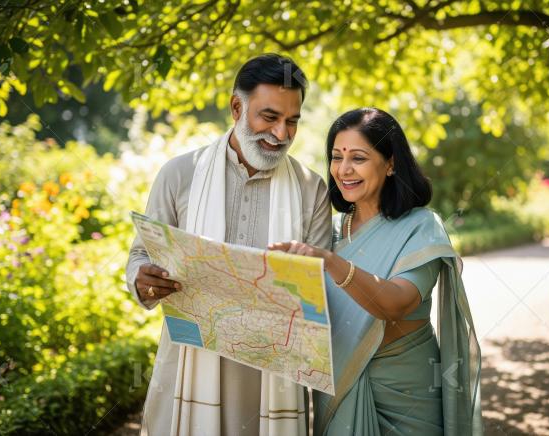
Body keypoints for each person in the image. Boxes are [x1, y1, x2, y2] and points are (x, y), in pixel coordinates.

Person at [125, 53, 332, 436]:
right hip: (188, 365)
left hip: (271, 380)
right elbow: (142, 253)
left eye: (292, 121)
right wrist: (141, 279)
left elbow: (321, 287)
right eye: (269, 117)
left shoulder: (312, 190)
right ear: (237, 107)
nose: (281, 134)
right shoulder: (180, 174)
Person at [269, 108, 483, 435]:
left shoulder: (421, 227)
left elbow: (397, 303)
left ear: (391, 163)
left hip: (408, 395)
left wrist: (331, 262)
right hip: (341, 390)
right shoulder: (329, 231)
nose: (344, 169)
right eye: (337, 157)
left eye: (358, 158)